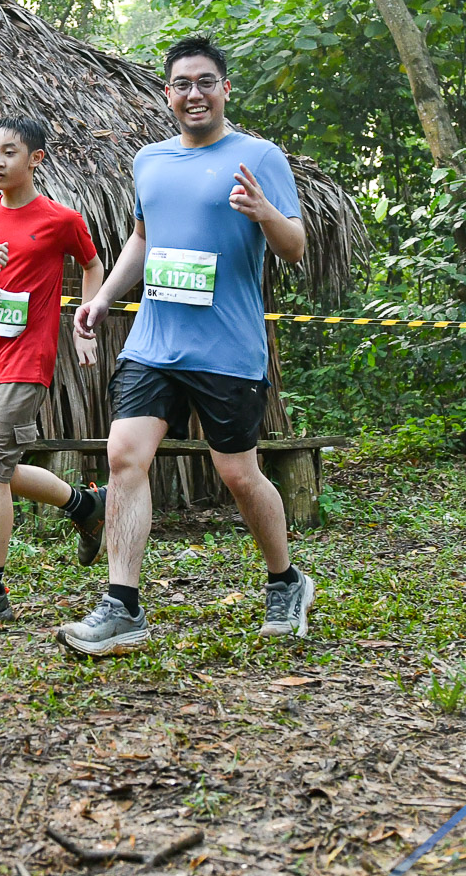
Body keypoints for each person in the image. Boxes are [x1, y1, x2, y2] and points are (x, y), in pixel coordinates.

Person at [62, 36, 311, 655]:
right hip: (154, 341)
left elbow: (295, 247)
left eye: (205, 82)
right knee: (125, 456)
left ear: (224, 89)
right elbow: (143, 240)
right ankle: (123, 606)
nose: (193, 93)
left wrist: (264, 213)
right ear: (167, 93)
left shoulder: (259, 156)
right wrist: (104, 298)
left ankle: (286, 581)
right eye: (181, 83)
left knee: (238, 474)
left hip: (227, 347)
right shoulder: (149, 161)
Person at [0, 117, 108, 624]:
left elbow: (93, 264)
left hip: (28, 359)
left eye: (8, 152)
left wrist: (84, 323)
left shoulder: (61, 219)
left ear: (35, 159)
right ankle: (85, 506)